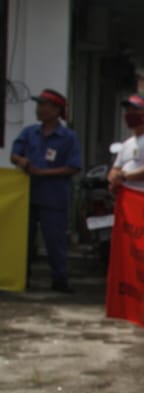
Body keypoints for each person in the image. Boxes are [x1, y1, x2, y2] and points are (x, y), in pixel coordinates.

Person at [9, 88, 81, 292]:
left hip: (54, 197)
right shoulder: (29, 132)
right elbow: (14, 154)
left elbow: (74, 166)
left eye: (43, 105)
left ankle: (59, 280)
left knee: (55, 241)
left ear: (56, 110)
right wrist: (21, 160)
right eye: (38, 105)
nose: (38, 109)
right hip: (27, 196)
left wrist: (43, 173)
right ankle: (22, 278)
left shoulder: (68, 137)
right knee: (23, 241)